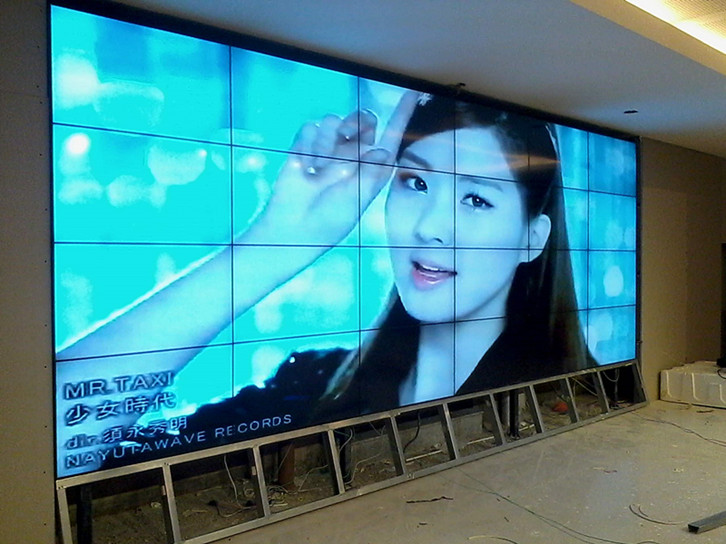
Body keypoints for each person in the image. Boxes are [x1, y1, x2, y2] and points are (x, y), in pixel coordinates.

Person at [58, 90, 591, 467]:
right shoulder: (312, 385)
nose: (430, 227)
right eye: (415, 182)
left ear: (532, 237)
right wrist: (274, 243)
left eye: (475, 199)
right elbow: (55, 441)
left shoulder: (568, 399)